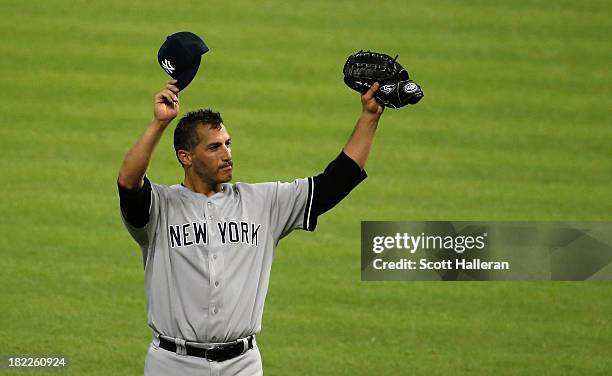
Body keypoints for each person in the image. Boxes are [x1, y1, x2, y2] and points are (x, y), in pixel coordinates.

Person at [117, 79, 384, 375]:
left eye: (228, 144)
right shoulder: (160, 207)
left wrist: (369, 116)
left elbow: (335, 182)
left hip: (241, 365)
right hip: (173, 364)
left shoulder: (262, 203)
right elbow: (128, 183)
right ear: (186, 157)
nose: (227, 154)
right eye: (215, 147)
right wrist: (159, 123)